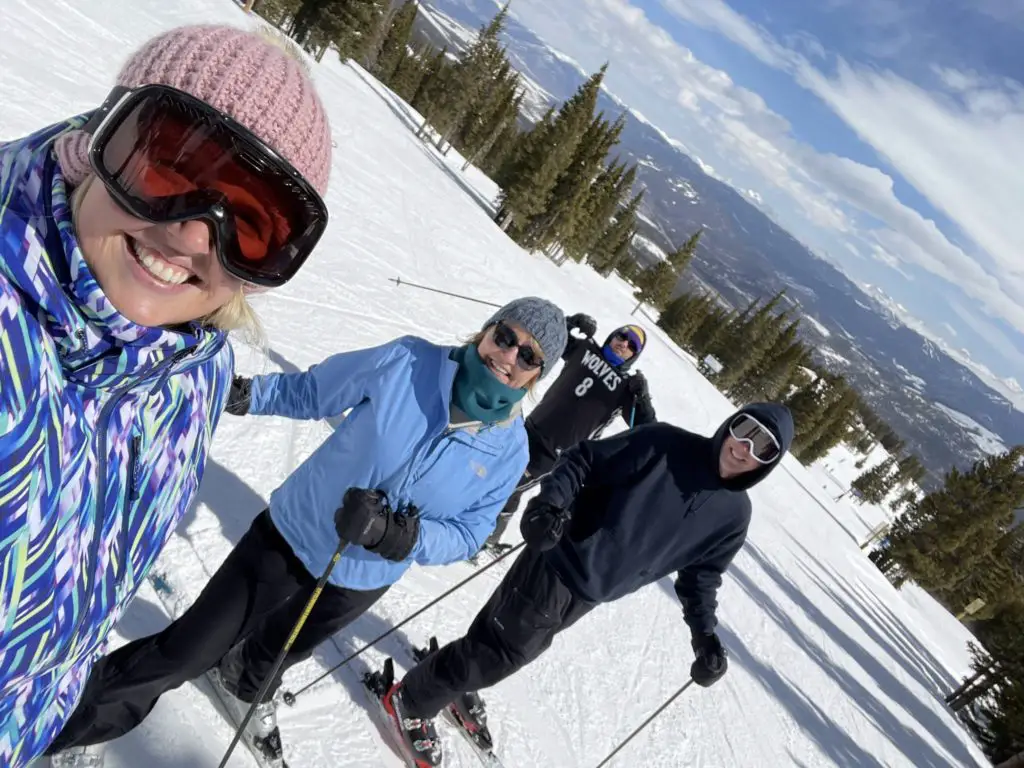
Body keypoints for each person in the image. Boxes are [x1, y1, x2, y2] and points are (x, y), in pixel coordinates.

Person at [0, 23, 333, 768]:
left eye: (249, 224)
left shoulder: (194, 372)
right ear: (99, 144)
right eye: (167, 164)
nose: (191, 234)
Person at [45, 298, 569, 767]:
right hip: (291, 536)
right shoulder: (409, 361)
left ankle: (244, 683)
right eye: (506, 337)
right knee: (185, 650)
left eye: (528, 356)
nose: (508, 356)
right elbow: (317, 390)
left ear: (534, 376)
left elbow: (470, 532)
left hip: (360, 579)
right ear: (487, 330)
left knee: (280, 651)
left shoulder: (510, 451)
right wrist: (247, 394)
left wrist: (404, 538)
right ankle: (66, 728)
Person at [388, 403, 794, 763]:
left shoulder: (734, 516)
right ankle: (414, 699)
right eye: (745, 429)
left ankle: (455, 677)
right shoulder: (666, 444)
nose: (745, 447)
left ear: (768, 463)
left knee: (501, 634)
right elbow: (583, 459)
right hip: (560, 558)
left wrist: (704, 635)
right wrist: (549, 506)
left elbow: (701, 577)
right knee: (504, 651)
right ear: (731, 423)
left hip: (592, 590)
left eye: (763, 447)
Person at [483, 315, 657, 552]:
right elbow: (549, 341)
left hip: (555, 452)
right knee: (491, 467)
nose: (623, 343)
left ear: (634, 355)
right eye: (621, 336)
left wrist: (643, 398)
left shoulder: (627, 389)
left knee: (511, 484)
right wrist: (571, 323)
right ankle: (474, 518)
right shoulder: (584, 349)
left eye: (631, 345)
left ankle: (487, 535)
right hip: (531, 426)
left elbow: (647, 428)